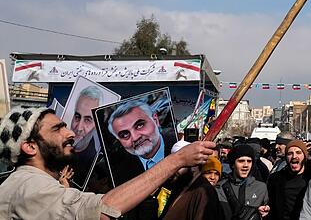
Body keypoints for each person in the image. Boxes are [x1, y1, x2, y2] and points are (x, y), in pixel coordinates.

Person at [0, 106, 215, 219]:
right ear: (30, 147)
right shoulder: (29, 186)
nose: (71, 133)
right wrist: (177, 160)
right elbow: (103, 210)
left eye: (140, 125)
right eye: (57, 129)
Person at [106, 99, 178, 186]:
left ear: (156, 121)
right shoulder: (120, 178)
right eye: (124, 135)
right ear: (119, 141)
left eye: (140, 125)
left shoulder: (182, 142)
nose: (135, 138)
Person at [158, 141, 223, 220]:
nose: (174, 169)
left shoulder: (204, 191)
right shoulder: (180, 184)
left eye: (180, 164)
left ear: (194, 165)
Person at [217, 144, 270, 219]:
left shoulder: (261, 188)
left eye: (249, 161)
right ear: (233, 164)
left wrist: (265, 211)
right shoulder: (220, 188)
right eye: (241, 161)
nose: (246, 165)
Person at [268, 140, 311, 220]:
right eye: (290, 153)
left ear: (305, 156)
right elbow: (270, 205)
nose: (294, 156)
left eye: (298, 152)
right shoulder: (275, 179)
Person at [69, 86, 104, 185]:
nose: (79, 128)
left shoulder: (95, 163)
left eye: (88, 120)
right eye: (77, 117)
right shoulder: (58, 146)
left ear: (97, 124)